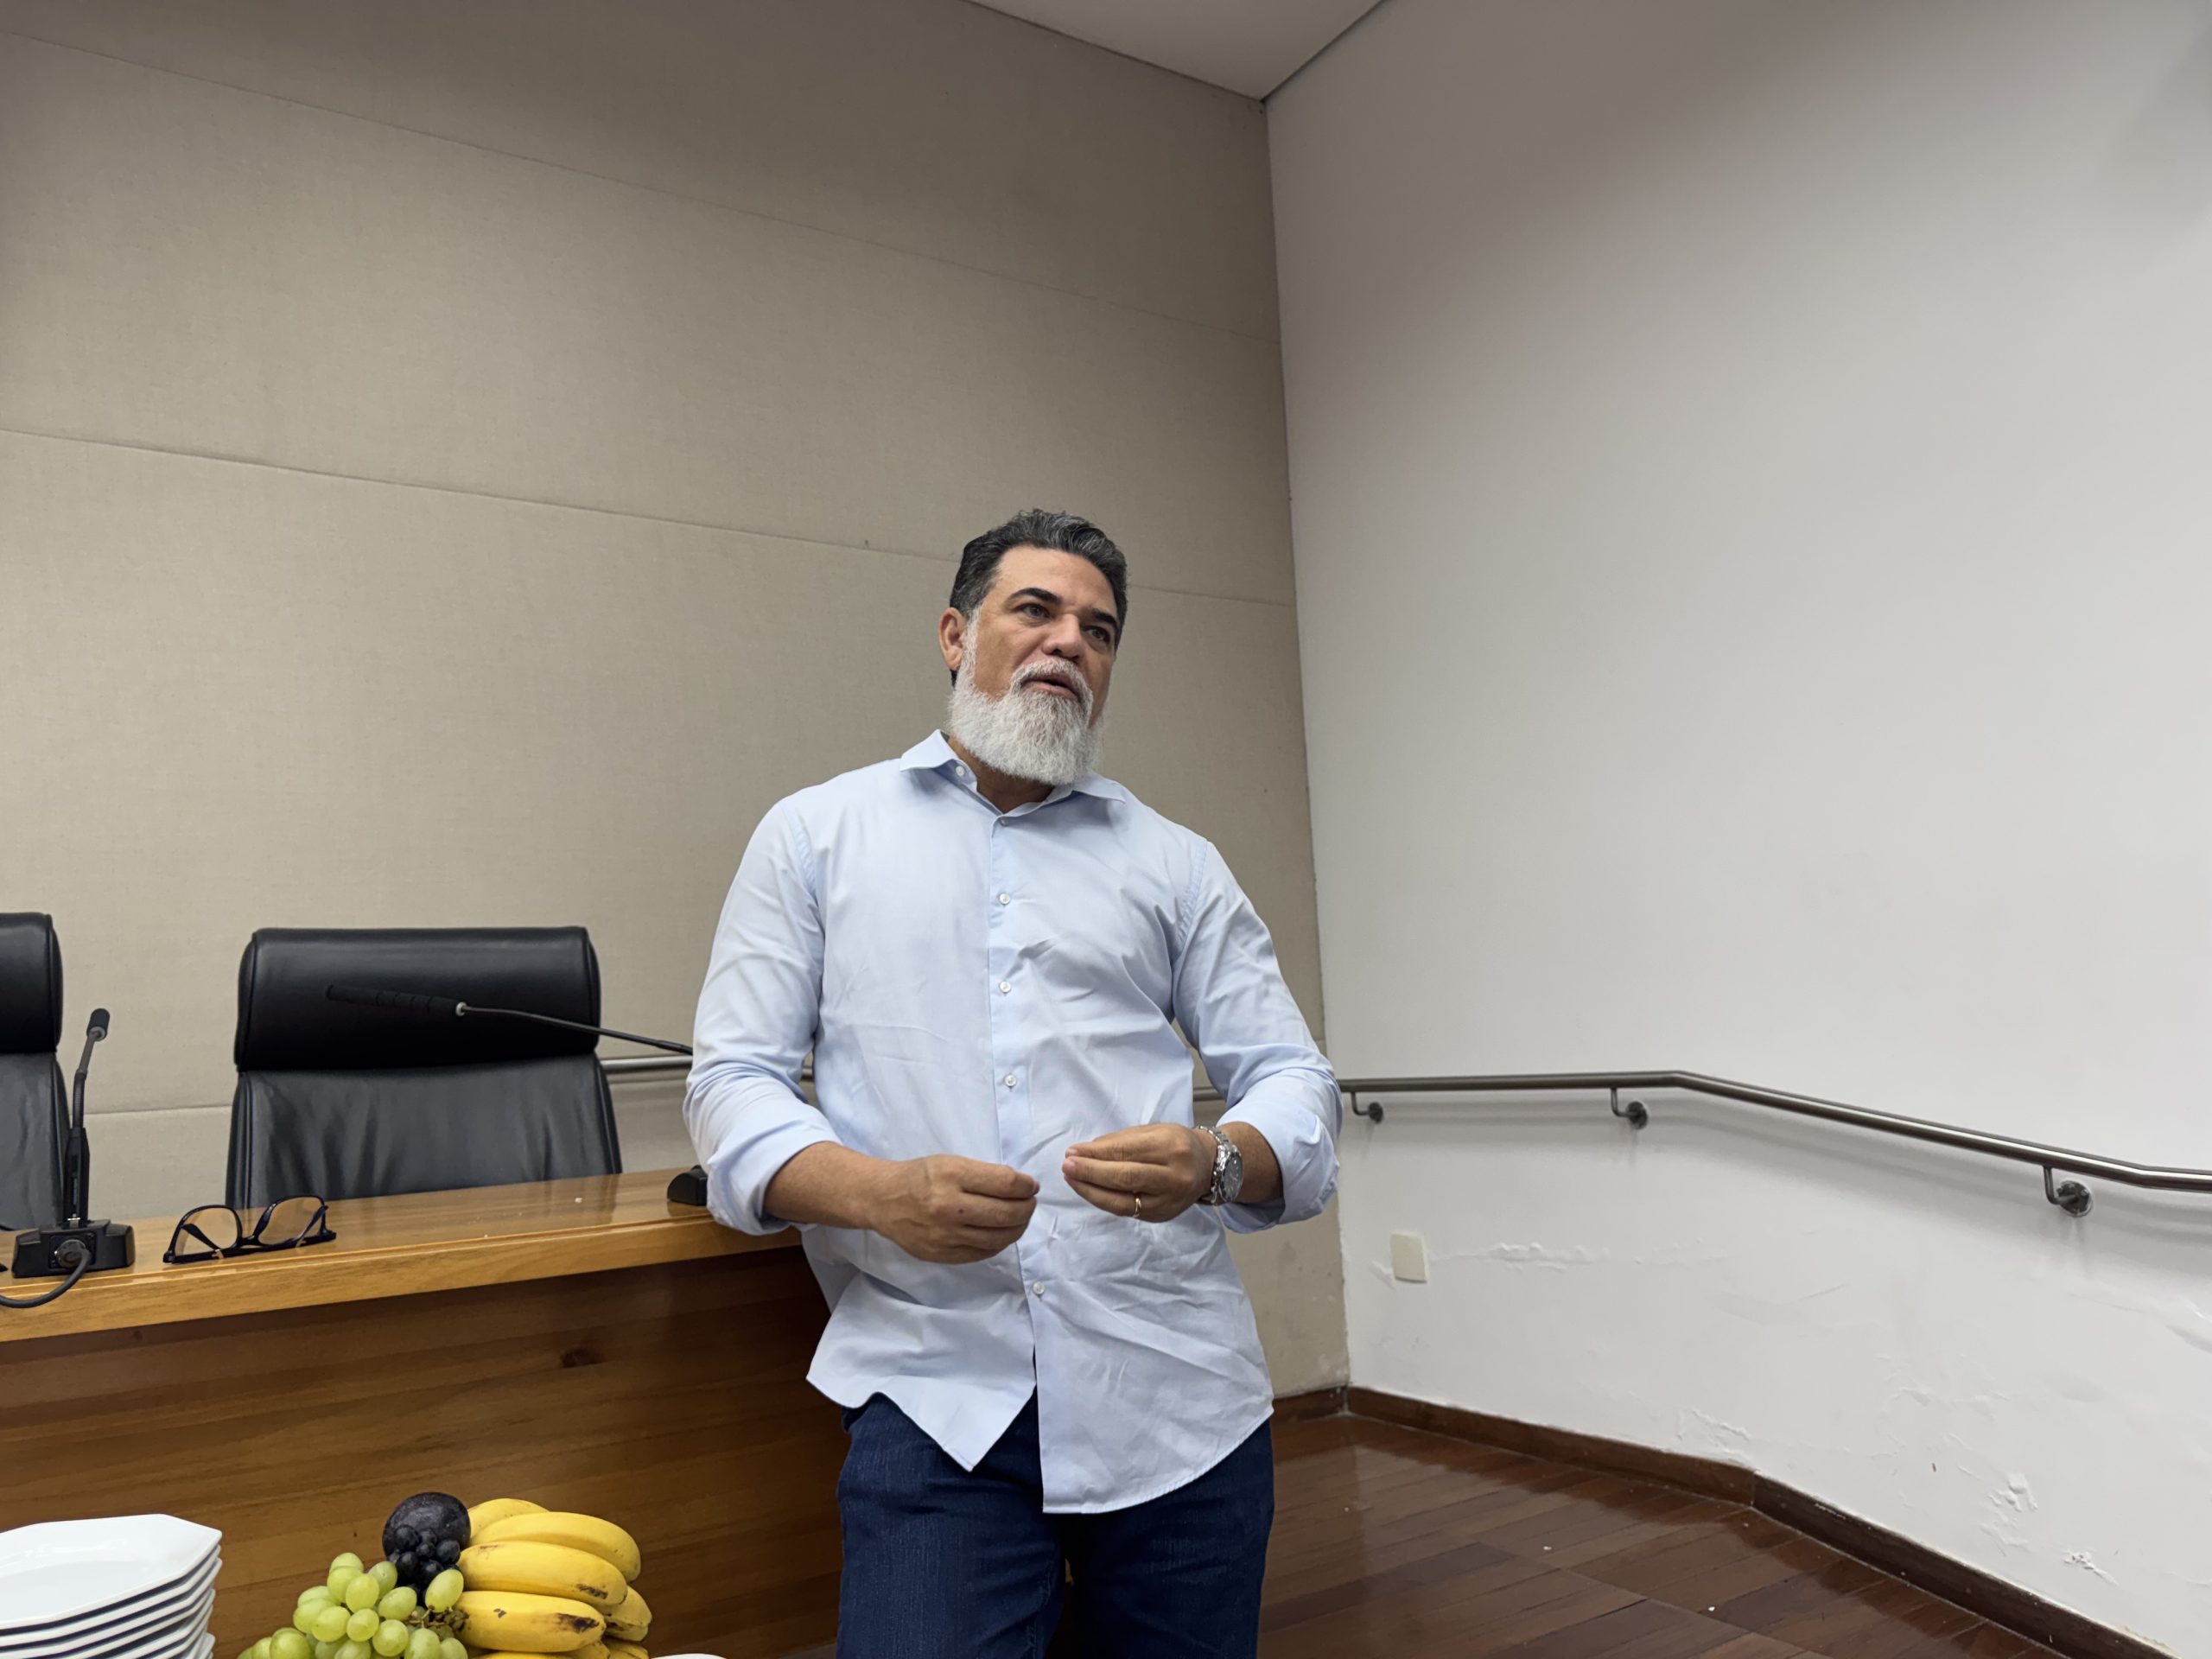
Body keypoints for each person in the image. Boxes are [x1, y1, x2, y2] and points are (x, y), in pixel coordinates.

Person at [685, 509, 1339, 1657]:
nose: (1069, 642)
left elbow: (1292, 1076)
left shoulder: (1175, 863)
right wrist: (878, 1194)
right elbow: (733, 1082)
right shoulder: (815, 836)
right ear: (955, 634)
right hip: (939, 1395)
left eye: (1099, 630)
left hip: (1174, 1396)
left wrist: (1217, 1160)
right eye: (1035, 610)